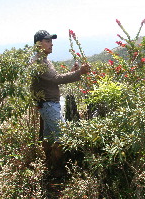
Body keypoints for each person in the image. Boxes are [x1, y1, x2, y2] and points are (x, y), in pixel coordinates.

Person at [30, 30, 90, 178]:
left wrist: (72, 72)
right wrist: (79, 73)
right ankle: (58, 170)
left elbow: (51, 81)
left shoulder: (43, 60)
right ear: (38, 43)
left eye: (51, 41)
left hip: (48, 105)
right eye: (48, 41)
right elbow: (56, 79)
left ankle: (48, 166)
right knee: (62, 137)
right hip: (49, 105)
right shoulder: (39, 62)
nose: (51, 44)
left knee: (49, 138)